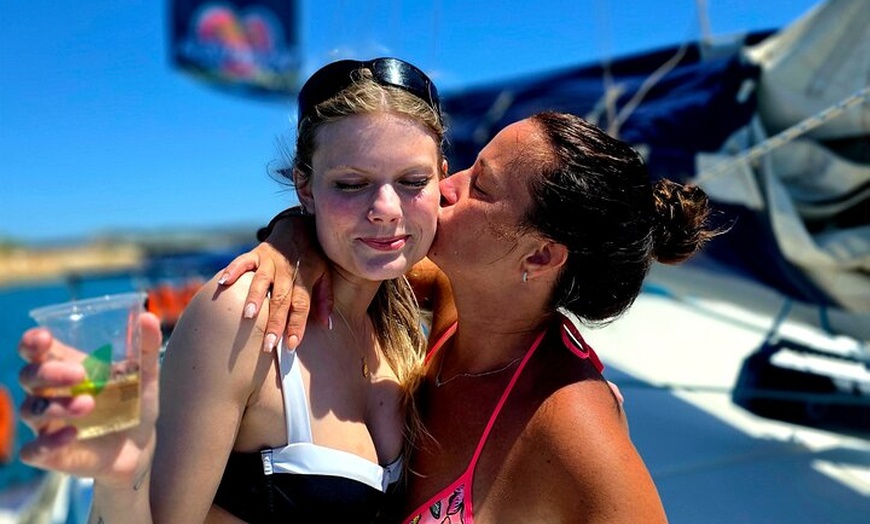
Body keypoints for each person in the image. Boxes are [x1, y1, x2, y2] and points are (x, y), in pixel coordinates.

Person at [219, 111, 723, 522]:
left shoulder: (573, 428)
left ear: (540, 257)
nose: (444, 186)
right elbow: (351, 253)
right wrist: (292, 238)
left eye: (480, 186)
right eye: (467, 165)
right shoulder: (457, 304)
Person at [16, 56, 447, 523]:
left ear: (443, 177)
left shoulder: (405, 325)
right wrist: (121, 479)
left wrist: (290, 234)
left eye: (412, 181)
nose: (385, 208)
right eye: (350, 183)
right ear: (304, 187)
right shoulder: (244, 313)